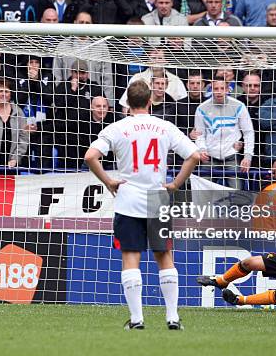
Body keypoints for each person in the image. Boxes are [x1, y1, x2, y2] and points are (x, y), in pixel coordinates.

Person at [84, 79, 200, 330]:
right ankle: (172, 318)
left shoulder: (116, 128)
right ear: (151, 101)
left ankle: (137, 319)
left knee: (130, 256)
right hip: (157, 197)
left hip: (128, 198)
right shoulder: (164, 126)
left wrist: (109, 182)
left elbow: (90, 156)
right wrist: (176, 183)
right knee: (164, 256)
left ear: (127, 102)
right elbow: (194, 155)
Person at [194, 79, 254, 189]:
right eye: (216, 88)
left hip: (231, 157)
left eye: (222, 88)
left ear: (227, 90)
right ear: (211, 89)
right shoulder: (201, 108)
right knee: (203, 194)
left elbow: (248, 132)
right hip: (209, 158)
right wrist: (201, 149)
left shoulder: (239, 106)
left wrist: (247, 156)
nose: (219, 91)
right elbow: (199, 134)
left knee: (236, 194)